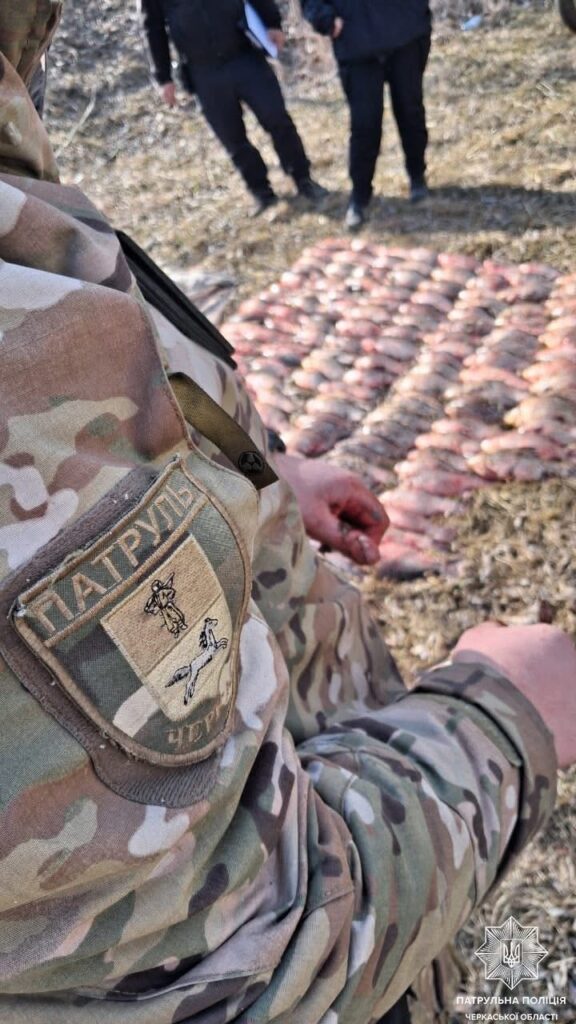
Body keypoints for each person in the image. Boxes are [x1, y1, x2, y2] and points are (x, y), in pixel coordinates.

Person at [0, 5, 575, 1023]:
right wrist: (502, 716)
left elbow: (97, 393)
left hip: (323, 745)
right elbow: (243, 959)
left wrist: (252, 473)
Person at [139, 0, 328, 215]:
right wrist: (163, 77)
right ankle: (261, 192)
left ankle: (303, 179)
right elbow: (153, 28)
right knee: (232, 138)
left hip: (244, 54)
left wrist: (272, 24)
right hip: (203, 71)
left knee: (277, 118)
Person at [302, 0, 433, 229]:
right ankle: (360, 196)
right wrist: (325, 19)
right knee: (365, 124)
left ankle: (417, 176)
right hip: (355, 41)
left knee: (410, 110)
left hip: (406, 32)